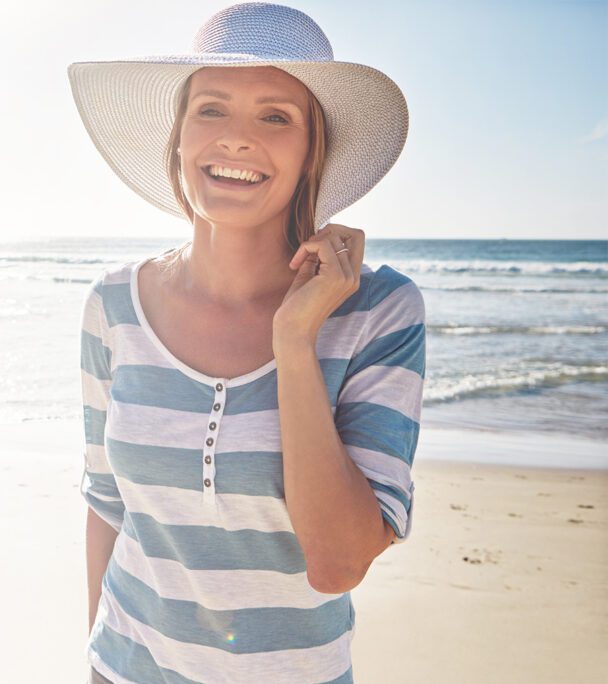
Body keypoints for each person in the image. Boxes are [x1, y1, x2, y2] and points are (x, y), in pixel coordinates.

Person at [69, 3, 426, 683]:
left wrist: (295, 342)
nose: (235, 139)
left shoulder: (380, 312)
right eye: (211, 109)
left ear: (314, 150)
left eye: (275, 116)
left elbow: (339, 562)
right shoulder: (112, 305)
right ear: (178, 136)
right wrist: (91, 657)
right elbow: (105, 505)